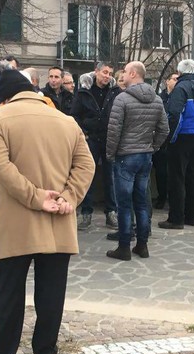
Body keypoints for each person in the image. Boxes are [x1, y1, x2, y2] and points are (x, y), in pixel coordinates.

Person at [0, 69, 94, 354]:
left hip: (18, 222)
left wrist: (36, 197)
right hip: (59, 221)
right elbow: (86, 164)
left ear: (5, 97)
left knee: (9, 295)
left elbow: (0, 167)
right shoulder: (66, 121)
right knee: (51, 296)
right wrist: (68, 197)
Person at [104, 62, 168, 261]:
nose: (122, 74)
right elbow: (164, 129)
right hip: (145, 156)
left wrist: (110, 154)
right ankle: (142, 245)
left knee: (124, 204)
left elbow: (113, 130)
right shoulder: (157, 99)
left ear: (133, 73)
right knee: (141, 203)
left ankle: (124, 247)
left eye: (125, 71)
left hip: (125, 156)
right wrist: (152, 147)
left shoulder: (122, 99)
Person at [159, 60, 194, 230]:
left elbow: (174, 114)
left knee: (176, 178)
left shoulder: (180, 88)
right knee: (193, 177)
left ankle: (176, 219)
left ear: (180, 72)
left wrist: (170, 138)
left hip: (182, 136)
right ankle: (192, 217)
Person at [71, 63, 118, 230]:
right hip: (90, 138)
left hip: (109, 139)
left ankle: (111, 212)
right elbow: (75, 115)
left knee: (110, 177)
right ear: (96, 72)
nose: (107, 76)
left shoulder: (115, 92)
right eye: (104, 72)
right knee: (87, 176)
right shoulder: (84, 91)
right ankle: (86, 213)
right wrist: (83, 133)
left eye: (110, 73)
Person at [152, 73, 179, 210]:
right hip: (161, 140)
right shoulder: (159, 98)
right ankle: (162, 197)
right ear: (167, 81)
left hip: (175, 140)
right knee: (161, 171)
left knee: (174, 172)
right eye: (174, 79)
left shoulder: (180, 97)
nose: (177, 81)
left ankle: (173, 198)